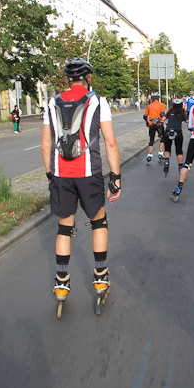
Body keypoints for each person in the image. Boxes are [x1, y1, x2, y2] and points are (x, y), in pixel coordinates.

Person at [42, 58, 121, 313]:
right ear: (88, 78)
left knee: (64, 228)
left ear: (67, 79)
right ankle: (100, 278)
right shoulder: (97, 101)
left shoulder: (52, 103)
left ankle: (61, 284)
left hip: (61, 174)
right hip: (89, 173)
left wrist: (50, 175)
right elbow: (110, 143)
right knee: (99, 222)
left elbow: (45, 145)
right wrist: (115, 178)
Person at [162, 98, 187, 176]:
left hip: (168, 131)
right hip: (178, 131)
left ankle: (166, 162)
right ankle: (180, 168)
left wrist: (163, 122)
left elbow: (163, 119)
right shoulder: (183, 113)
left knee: (167, 149)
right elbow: (187, 121)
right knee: (179, 150)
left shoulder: (169, 112)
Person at [144, 93, 165, 164]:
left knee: (151, 139)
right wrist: (164, 121)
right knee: (162, 138)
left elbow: (145, 116)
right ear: (158, 98)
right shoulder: (161, 105)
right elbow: (162, 114)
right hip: (159, 124)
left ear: (152, 99)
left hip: (151, 124)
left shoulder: (149, 106)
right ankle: (160, 153)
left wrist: (147, 123)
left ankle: (149, 154)